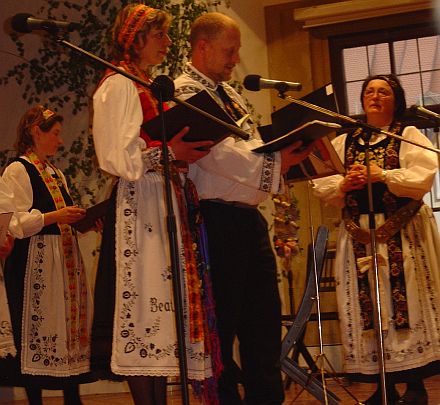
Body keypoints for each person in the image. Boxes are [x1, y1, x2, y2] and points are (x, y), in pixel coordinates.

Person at [174, 12, 314, 405]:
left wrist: (287, 153)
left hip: (248, 220)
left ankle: (266, 398)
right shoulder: (185, 91)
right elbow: (216, 156)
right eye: (229, 51)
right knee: (225, 324)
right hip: (214, 221)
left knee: (263, 323)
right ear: (202, 47)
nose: (236, 59)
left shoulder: (230, 94)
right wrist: (277, 162)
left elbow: (250, 149)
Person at [91, 4, 222, 405]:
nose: (167, 43)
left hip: (161, 199)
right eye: (159, 35)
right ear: (137, 38)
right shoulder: (119, 84)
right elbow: (115, 157)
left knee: (163, 319)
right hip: (138, 204)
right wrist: (169, 151)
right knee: (146, 314)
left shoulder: (146, 84)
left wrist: (181, 150)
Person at [313, 74, 440, 405]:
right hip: (358, 235)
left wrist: (382, 174)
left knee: (408, 301)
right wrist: (344, 184)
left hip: (402, 231)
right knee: (365, 305)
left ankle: (415, 385)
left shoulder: (408, 136)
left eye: (383, 91)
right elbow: (322, 182)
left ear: (395, 100)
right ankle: (383, 386)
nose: (375, 96)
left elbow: (422, 178)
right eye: (370, 91)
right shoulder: (345, 141)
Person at [0, 105, 92, 405]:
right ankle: (36, 399)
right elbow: (16, 222)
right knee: (36, 330)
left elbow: (61, 216)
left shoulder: (55, 172)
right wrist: (56, 216)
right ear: (35, 131)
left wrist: (85, 220)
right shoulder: (18, 169)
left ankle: (72, 396)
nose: (59, 141)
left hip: (62, 260)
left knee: (65, 328)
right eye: (54, 133)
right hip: (35, 260)